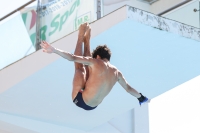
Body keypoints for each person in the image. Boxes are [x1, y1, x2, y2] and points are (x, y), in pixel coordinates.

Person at [40, 23, 149, 111]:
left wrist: (54, 50)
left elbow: (72, 57)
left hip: (79, 99)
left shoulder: (96, 62)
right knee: (88, 68)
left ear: (97, 56)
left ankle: (81, 38)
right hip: (93, 106)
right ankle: (87, 41)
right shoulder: (117, 73)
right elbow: (128, 89)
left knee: (80, 69)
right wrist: (141, 97)